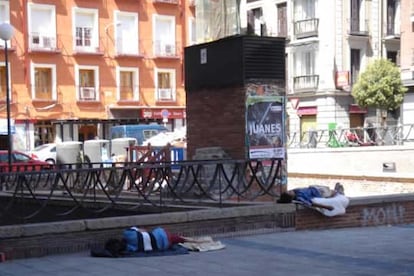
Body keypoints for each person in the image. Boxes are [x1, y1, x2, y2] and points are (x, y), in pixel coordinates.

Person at [104, 226, 198, 256]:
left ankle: (189, 240)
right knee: (172, 237)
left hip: (163, 246)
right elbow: (142, 230)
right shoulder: (127, 233)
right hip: (160, 234)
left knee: (175, 239)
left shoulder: (130, 249)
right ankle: (192, 240)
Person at [277, 183, 345, 211]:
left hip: (314, 188)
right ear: (291, 197)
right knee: (330, 193)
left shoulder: (296, 191)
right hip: (318, 193)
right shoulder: (300, 198)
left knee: (329, 190)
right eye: (289, 192)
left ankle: (336, 191)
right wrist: (326, 207)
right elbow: (311, 203)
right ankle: (338, 192)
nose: (290, 190)